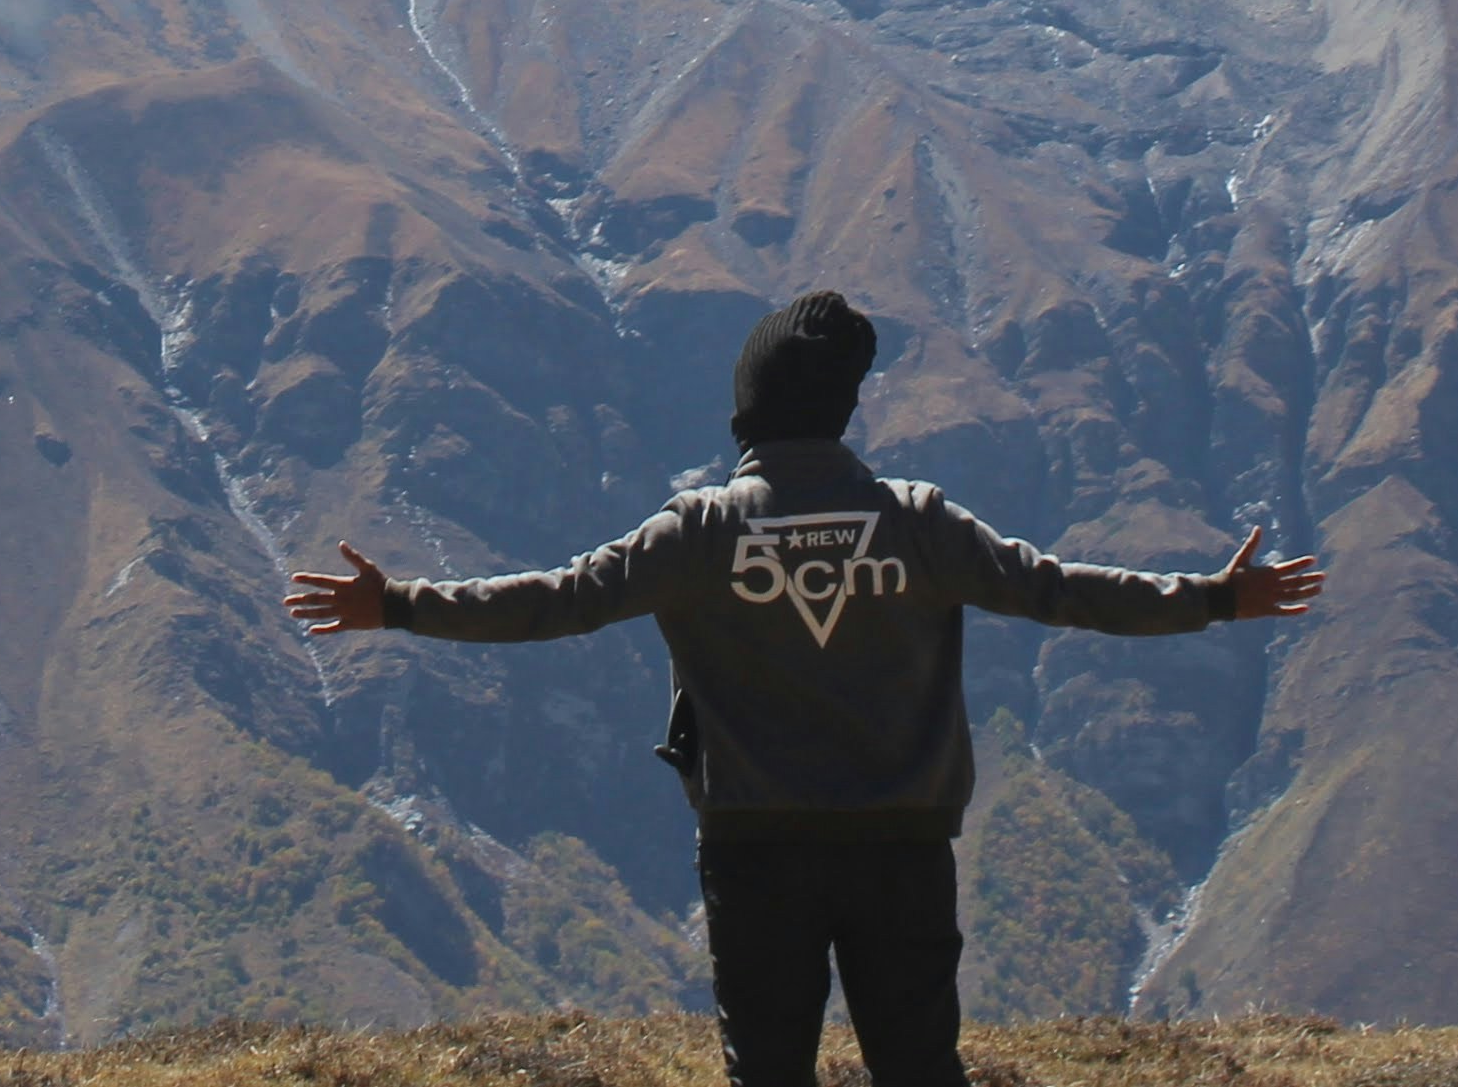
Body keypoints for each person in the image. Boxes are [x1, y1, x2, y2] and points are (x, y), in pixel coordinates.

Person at [284, 290, 1323, 1087]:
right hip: (899, 840)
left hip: (757, 847)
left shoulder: (696, 532)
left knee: (767, 1073)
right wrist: (1216, 598)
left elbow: (557, 600)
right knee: (919, 1069)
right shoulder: (916, 518)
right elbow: (1061, 591)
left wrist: (402, 605)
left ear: (747, 408)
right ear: (840, 407)